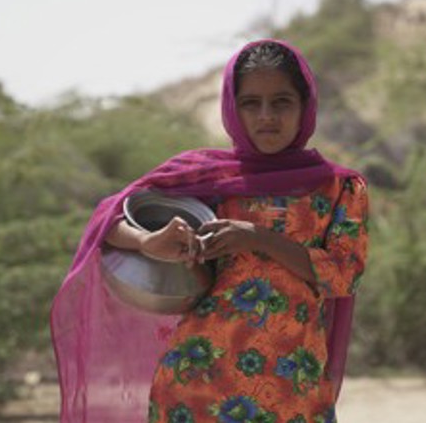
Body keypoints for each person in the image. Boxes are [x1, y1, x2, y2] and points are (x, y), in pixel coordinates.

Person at [51, 39, 369, 423]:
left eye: (281, 101)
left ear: (305, 106)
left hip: (293, 387)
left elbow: (342, 274)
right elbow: (108, 220)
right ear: (233, 109)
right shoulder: (208, 176)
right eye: (251, 103)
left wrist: (256, 238)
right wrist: (149, 241)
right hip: (198, 378)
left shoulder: (338, 189)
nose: (266, 115)